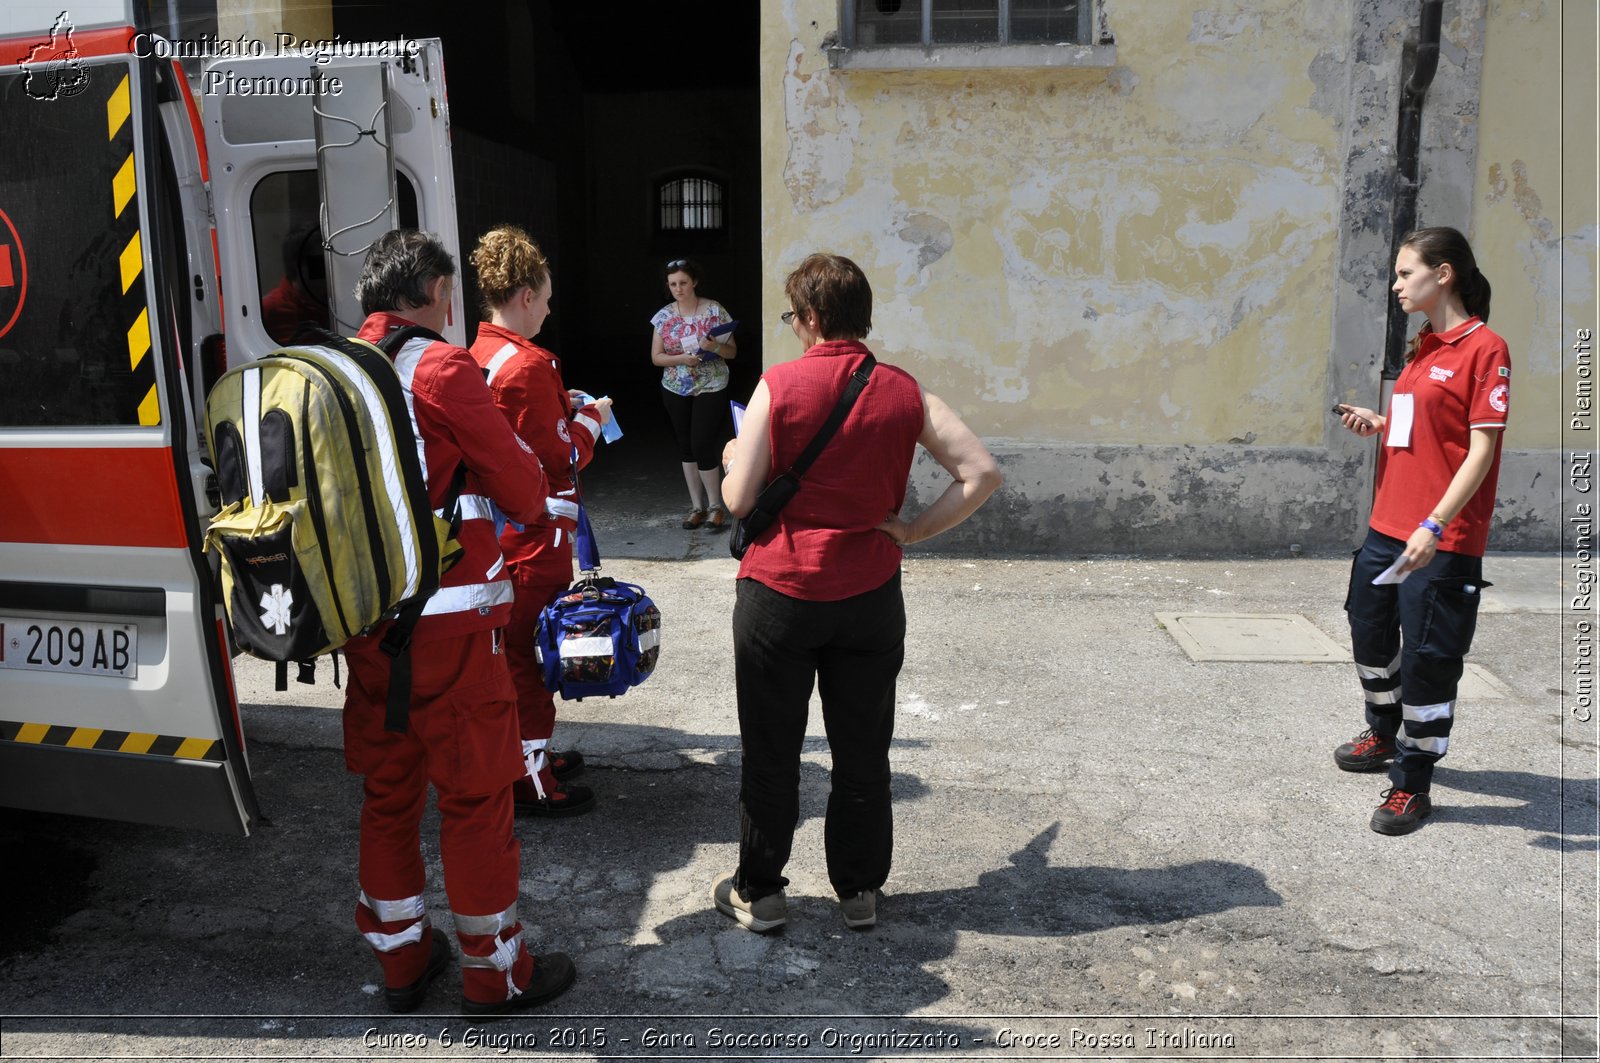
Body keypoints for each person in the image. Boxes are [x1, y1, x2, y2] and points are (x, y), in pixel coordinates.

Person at [712, 252, 1002, 933]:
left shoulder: (779, 385)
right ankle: (859, 892)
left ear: (811, 317)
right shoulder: (904, 391)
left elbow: (738, 497)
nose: (792, 328)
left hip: (779, 593)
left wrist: (730, 458)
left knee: (773, 748)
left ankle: (761, 890)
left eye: (792, 316)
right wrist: (910, 530)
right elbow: (981, 471)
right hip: (869, 592)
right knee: (864, 749)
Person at [342, 228, 576, 1015]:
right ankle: (497, 973)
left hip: (367, 626)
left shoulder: (338, 369)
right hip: (448, 628)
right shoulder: (440, 367)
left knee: (390, 791)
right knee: (476, 797)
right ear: (436, 293)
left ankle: (402, 961)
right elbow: (519, 484)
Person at [1332, 226, 1510, 836]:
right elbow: (1427, 432)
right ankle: (1383, 733)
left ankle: (1413, 783)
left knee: (1431, 664)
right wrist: (1380, 422)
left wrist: (1436, 522)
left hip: (1440, 539)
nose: (1396, 283)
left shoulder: (1486, 349)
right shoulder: (1423, 348)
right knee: (1370, 637)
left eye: (1406, 273)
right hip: (1387, 527)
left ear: (1444, 274)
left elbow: (1481, 451)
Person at [468, 224, 612, 818]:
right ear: (525, 294)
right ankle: (530, 782)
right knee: (530, 662)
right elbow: (560, 458)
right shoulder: (527, 367)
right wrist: (593, 420)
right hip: (533, 541)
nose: (549, 310)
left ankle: (533, 759)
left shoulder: (482, 352)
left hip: (501, 535)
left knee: (515, 658)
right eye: (547, 299)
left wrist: (563, 405)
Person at [649, 258, 737, 531]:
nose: (678, 288)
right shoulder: (664, 316)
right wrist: (681, 360)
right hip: (676, 386)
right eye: (673, 284)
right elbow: (656, 357)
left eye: (683, 283)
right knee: (686, 447)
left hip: (711, 384)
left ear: (694, 282)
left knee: (702, 443)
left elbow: (732, 351)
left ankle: (715, 507)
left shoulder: (714, 310)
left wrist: (715, 347)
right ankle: (696, 507)